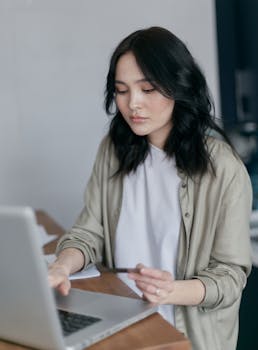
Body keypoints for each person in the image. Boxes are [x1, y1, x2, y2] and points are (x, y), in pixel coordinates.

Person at [48, 26, 252, 350]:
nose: (133, 104)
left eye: (148, 89)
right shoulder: (113, 149)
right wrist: (60, 267)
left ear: (178, 87)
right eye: (122, 90)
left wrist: (171, 291)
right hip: (121, 320)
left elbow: (230, 278)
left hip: (183, 336)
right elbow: (89, 233)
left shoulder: (223, 169)